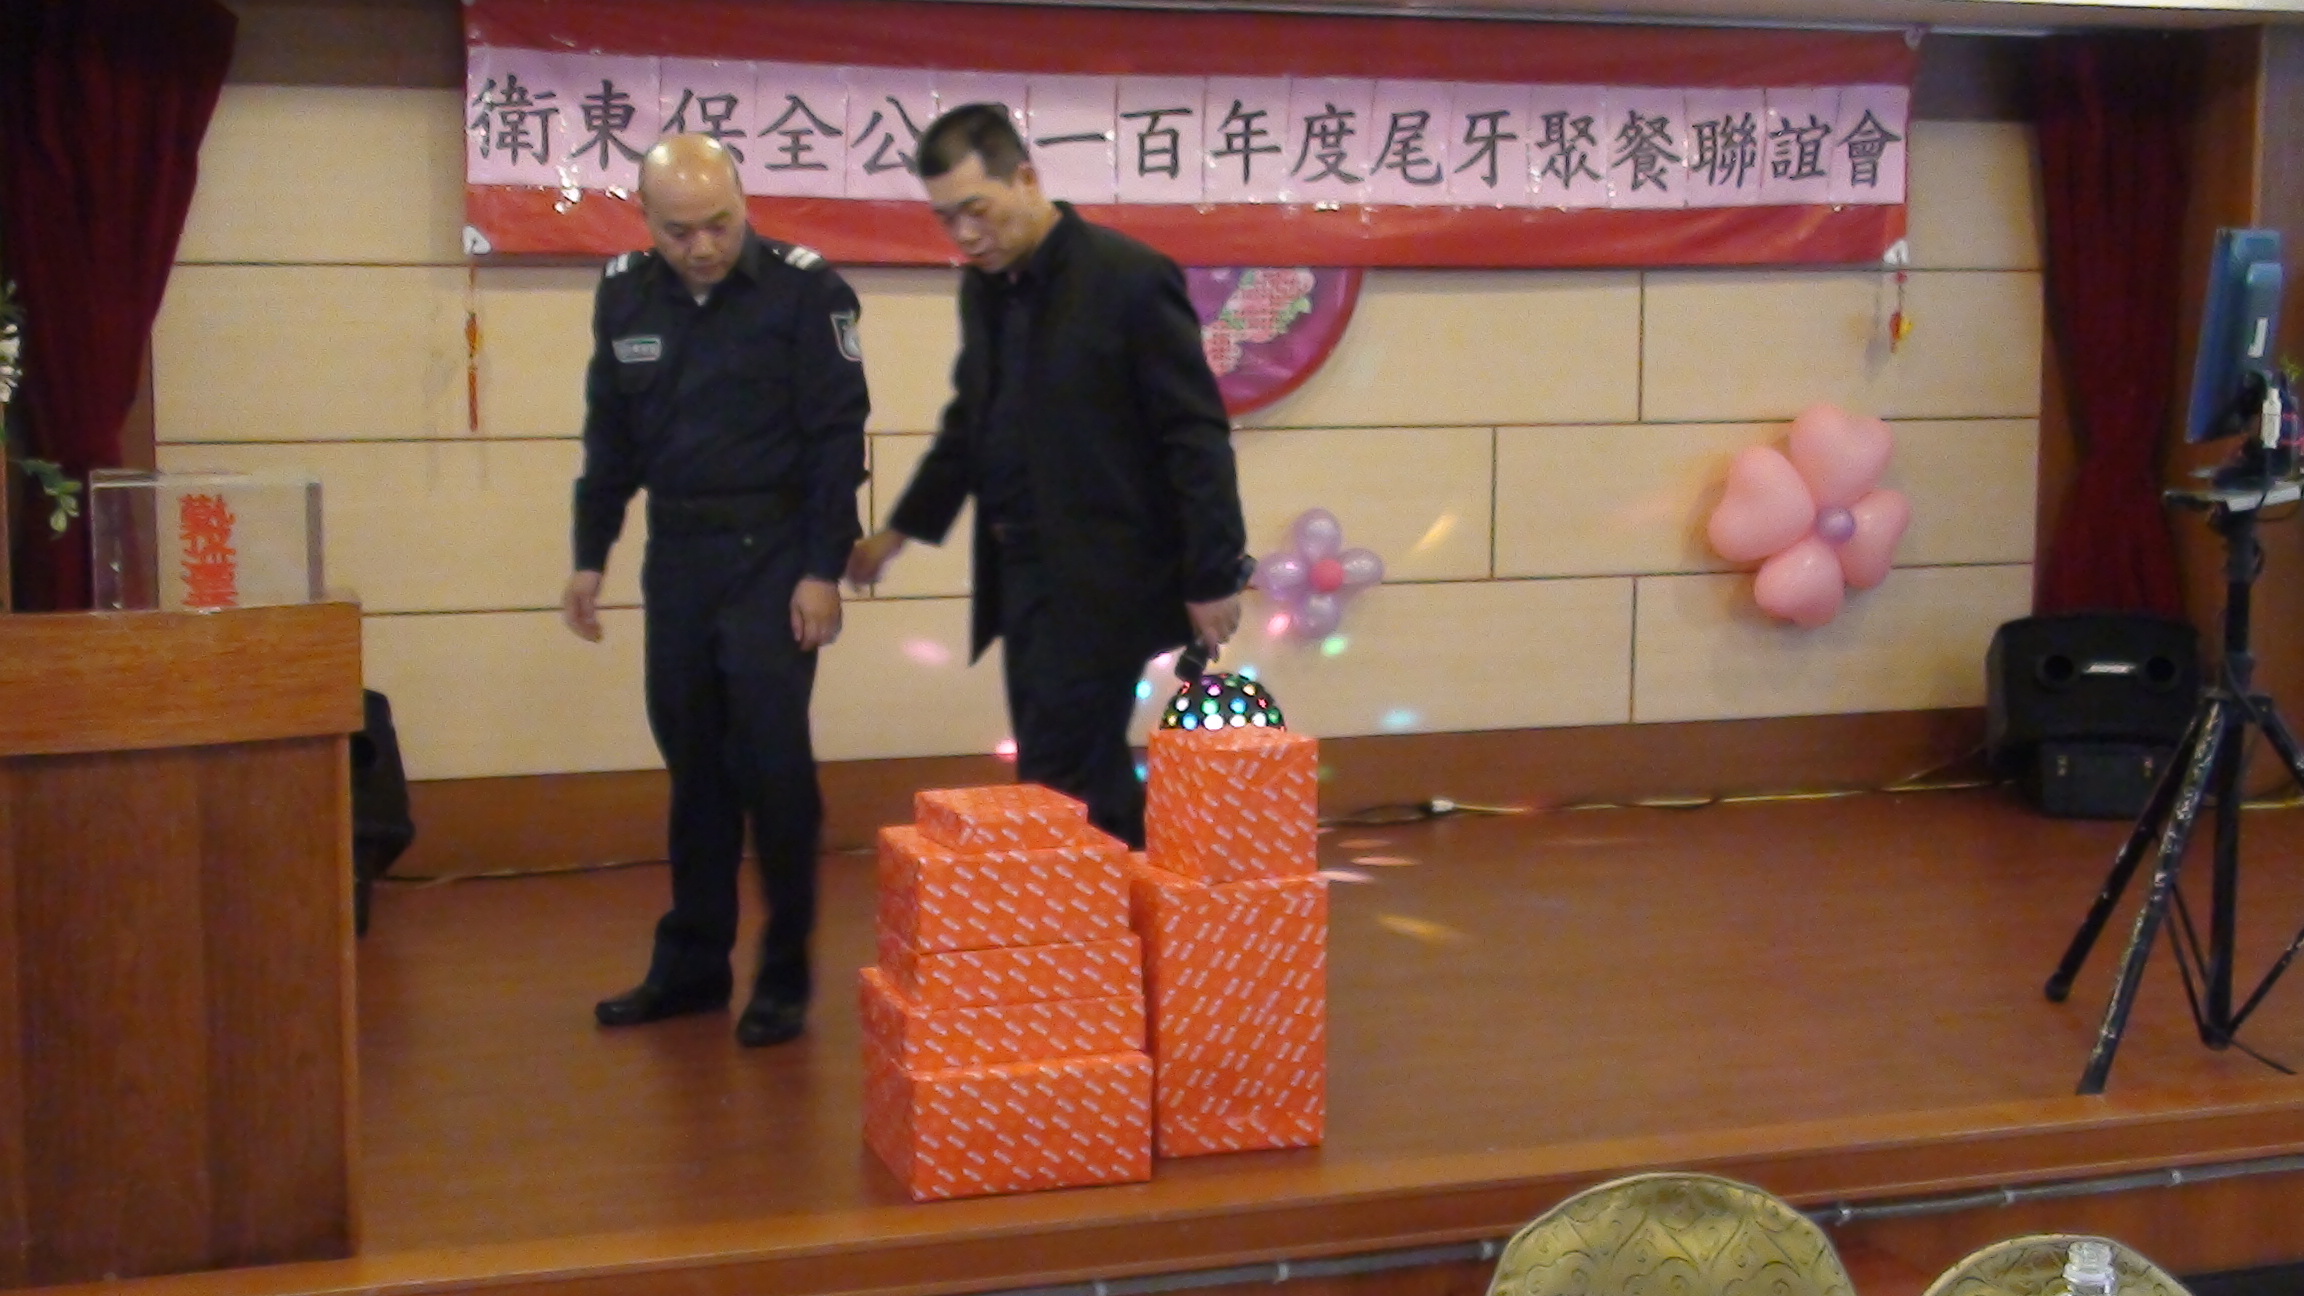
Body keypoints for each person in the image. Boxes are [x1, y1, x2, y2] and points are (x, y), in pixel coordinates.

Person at [845, 104, 1250, 850]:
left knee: (1064, 775)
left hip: (1107, 574)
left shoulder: (1129, 278)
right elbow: (972, 423)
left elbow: (1194, 436)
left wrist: (1212, 575)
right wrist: (896, 533)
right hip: (1022, 574)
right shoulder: (985, 291)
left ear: (1026, 179)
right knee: (1066, 771)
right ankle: (1123, 902)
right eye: (947, 219)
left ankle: (1097, 910)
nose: (965, 235)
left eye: (977, 210)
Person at [562, 133, 868, 1048]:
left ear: (745, 204)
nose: (702, 247)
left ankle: (784, 975)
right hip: (681, 555)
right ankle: (692, 968)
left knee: (773, 766)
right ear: (646, 221)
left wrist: (822, 569)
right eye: (679, 231)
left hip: (775, 553)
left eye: (720, 225)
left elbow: (837, 441)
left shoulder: (807, 290)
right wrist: (590, 553)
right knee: (693, 763)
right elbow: (609, 437)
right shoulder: (625, 293)